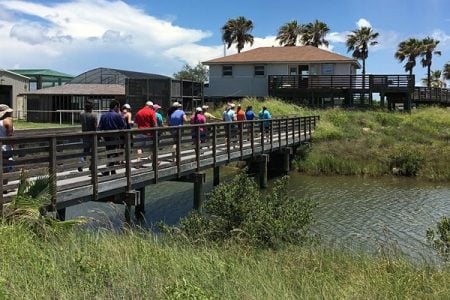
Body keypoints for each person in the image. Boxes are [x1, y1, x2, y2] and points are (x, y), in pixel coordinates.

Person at [97, 100, 126, 175]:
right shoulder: (117, 115)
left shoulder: (103, 115)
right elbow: (123, 125)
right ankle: (109, 170)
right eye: (119, 107)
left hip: (106, 137)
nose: (119, 109)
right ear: (115, 107)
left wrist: (99, 137)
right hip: (115, 137)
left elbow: (100, 127)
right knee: (114, 153)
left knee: (109, 153)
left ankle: (111, 170)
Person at [134, 101, 157, 169]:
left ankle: (138, 163)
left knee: (139, 148)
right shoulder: (152, 112)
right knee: (153, 148)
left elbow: (135, 123)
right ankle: (155, 162)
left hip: (140, 132)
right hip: (149, 133)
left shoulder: (139, 112)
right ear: (150, 106)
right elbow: (155, 123)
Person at [78, 100, 98, 172]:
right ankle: (92, 165)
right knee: (93, 151)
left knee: (85, 151)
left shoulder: (81, 114)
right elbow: (95, 127)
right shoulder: (94, 115)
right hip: (92, 136)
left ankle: (81, 163)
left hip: (84, 135)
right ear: (92, 106)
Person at [0, 104, 13, 189]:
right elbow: (10, 135)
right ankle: (4, 188)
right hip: (5, 148)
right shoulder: (7, 120)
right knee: (7, 168)